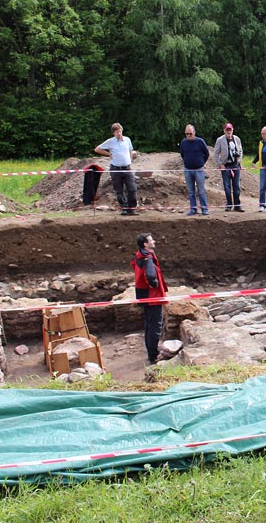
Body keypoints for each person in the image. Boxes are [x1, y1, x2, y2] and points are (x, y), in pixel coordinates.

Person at [131, 233, 168, 365]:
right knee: (155, 326)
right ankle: (153, 355)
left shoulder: (139, 255)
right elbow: (151, 276)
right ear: (145, 244)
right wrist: (155, 284)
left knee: (149, 325)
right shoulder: (147, 258)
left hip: (144, 296)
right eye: (151, 240)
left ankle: (150, 351)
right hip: (152, 297)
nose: (154, 241)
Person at [94, 122, 138, 215]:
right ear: (113, 133)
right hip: (115, 169)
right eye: (117, 132)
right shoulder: (110, 141)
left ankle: (132, 208)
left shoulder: (127, 140)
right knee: (119, 190)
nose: (119, 133)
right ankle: (124, 208)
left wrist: (130, 162)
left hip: (127, 168)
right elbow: (97, 149)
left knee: (132, 189)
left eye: (120, 131)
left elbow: (130, 151)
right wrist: (108, 154)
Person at [179, 124, 210, 216]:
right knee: (191, 191)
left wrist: (201, 163)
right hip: (188, 169)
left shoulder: (200, 141)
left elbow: (207, 153)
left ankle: (204, 209)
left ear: (194, 133)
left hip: (199, 169)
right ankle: (193, 208)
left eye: (190, 134)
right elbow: (182, 154)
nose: (188, 136)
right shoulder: (183, 142)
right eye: (186, 134)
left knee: (201, 190)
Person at [214, 122, 245, 212]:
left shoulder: (237, 139)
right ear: (224, 130)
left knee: (236, 186)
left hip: (235, 165)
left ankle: (237, 205)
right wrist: (220, 164)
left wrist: (239, 160)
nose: (229, 131)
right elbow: (215, 153)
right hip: (225, 165)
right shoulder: (220, 140)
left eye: (230, 129)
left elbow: (241, 150)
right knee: (227, 187)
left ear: (232, 130)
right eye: (227, 130)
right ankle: (229, 204)